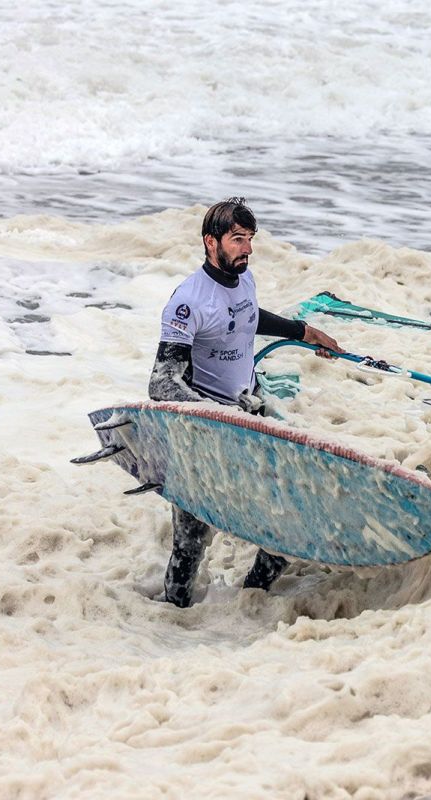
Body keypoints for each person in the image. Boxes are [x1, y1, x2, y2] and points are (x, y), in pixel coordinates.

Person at [148, 197, 341, 608]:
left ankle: (250, 603)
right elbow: (162, 383)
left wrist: (304, 331)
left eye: (250, 239)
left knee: (285, 523)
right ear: (210, 241)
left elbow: (248, 316)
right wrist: (222, 417)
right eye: (237, 239)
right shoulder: (187, 303)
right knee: (190, 543)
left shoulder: (244, 280)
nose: (248, 249)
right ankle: (173, 621)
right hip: (206, 431)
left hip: (249, 415)